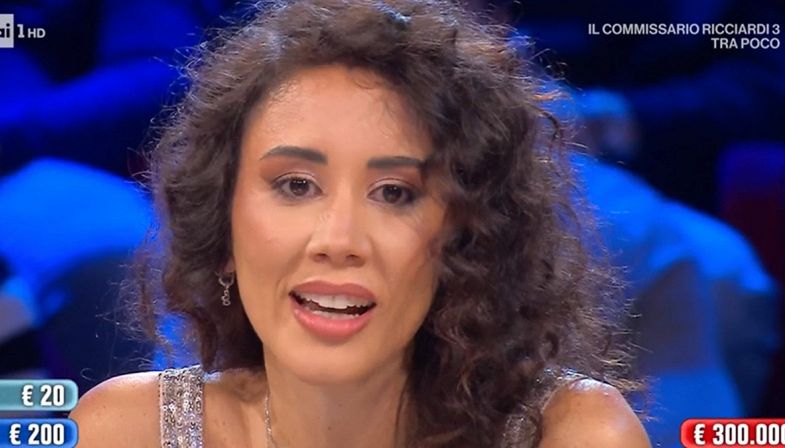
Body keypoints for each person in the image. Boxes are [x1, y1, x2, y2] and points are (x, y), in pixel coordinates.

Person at [68, 0, 651, 446]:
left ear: (466, 238)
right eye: (296, 186)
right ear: (222, 227)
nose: (338, 241)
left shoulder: (572, 434)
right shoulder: (128, 431)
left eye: (393, 193)